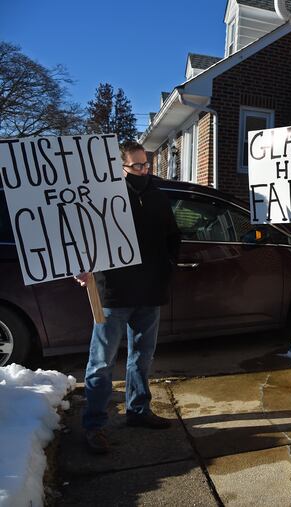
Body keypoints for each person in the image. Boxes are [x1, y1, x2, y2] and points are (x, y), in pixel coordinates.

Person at [75, 141, 181, 454]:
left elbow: (172, 236)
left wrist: (168, 267)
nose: (144, 171)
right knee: (101, 363)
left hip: (149, 294)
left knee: (142, 357)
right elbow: (82, 237)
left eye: (146, 165)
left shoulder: (157, 197)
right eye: (137, 166)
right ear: (121, 167)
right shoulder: (104, 197)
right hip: (112, 294)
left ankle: (138, 411)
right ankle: (94, 425)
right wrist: (82, 268)